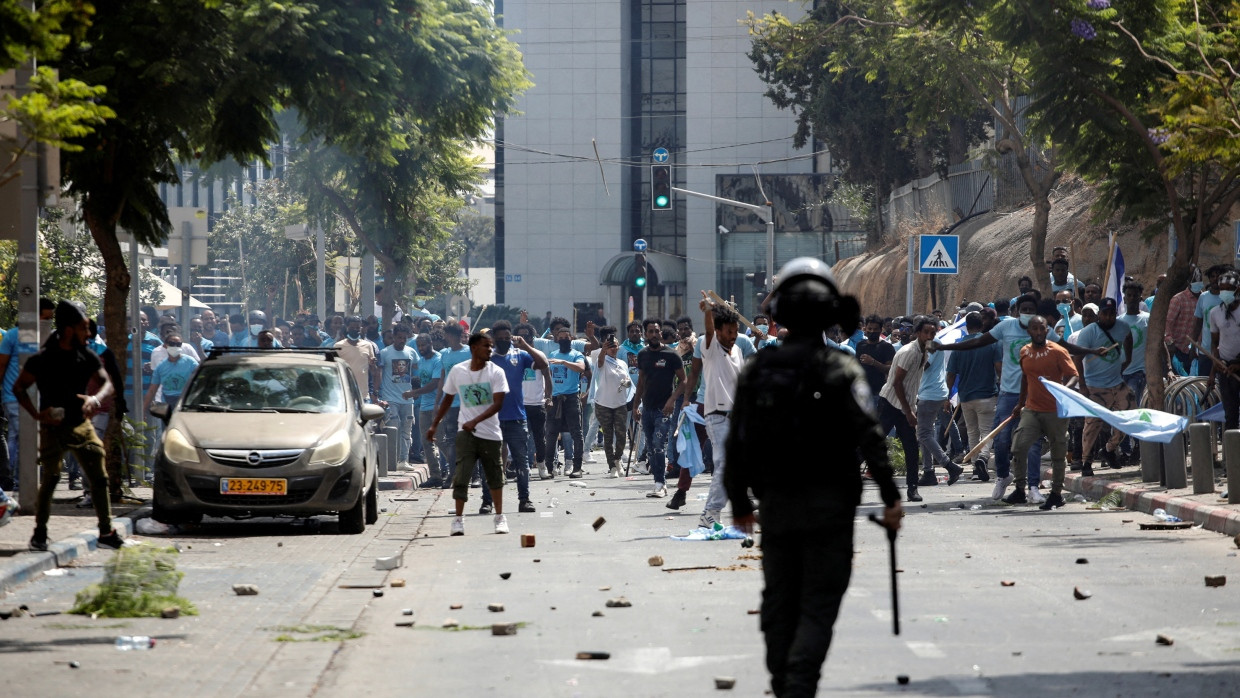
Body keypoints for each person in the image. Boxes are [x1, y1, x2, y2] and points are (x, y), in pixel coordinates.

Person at [725, 257, 901, 698]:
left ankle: (786, 681)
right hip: (832, 508)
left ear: (779, 312)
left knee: (779, 601)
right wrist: (892, 498)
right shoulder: (843, 369)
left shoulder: (758, 370)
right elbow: (871, 437)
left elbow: (737, 443)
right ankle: (799, 683)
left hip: (778, 507)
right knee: (818, 604)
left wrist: (741, 503)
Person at [16, 301, 125, 551]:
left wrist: (94, 399)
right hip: (53, 426)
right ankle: (40, 533)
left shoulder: (86, 355)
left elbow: (107, 383)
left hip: (81, 424)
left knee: (99, 477)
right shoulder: (42, 360)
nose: (88, 334)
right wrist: (36, 415)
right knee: (52, 478)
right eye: (83, 328)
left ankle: (106, 531)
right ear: (68, 330)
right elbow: (19, 388)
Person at [424, 332, 509, 536]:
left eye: (491, 346)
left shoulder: (496, 372)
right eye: (485, 346)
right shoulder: (458, 371)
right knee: (461, 476)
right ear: (473, 349)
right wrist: (435, 424)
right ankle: (458, 520)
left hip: (490, 433)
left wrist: (475, 421)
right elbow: (447, 399)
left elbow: (498, 403)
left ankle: (499, 517)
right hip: (466, 433)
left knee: (495, 477)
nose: (490, 349)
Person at [1002, 316, 1079, 509]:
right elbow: (1026, 379)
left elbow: (1073, 375)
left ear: (1047, 330)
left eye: (1041, 328)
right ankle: (1020, 489)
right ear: (1029, 331)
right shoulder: (1024, 351)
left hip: (1055, 411)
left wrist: (1064, 392)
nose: (1038, 332)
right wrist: (1020, 404)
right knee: (1019, 447)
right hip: (1032, 409)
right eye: (1034, 329)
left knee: (1058, 453)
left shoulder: (1058, 351)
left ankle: (1056, 494)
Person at [488, 320, 548, 512]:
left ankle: (524, 500)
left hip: (516, 418)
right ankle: (488, 501)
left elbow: (543, 363)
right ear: (494, 340)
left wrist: (526, 346)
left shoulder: (520, 355)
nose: (504, 341)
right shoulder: (487, 358)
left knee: (522, 462)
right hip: (493, 419)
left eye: (508, 338)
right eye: (500, 339)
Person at [695, 293, 744, 529]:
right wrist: (708, 311)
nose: (733, 336)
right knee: (724, 465)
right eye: (729, 332)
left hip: (737, 417)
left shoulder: (737, 352)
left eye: (735, 332)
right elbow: (709, 331)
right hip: (717, 416)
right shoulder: (711, 347)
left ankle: (716, 514)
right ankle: (710, 513)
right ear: (719, 330)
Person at [1071, 298, 1133, 476]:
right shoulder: (1089, 332)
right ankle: (1086, 462)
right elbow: (1077, 358)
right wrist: (1082, 384)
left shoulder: (1122, 327)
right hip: (1094, 386)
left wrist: (1127, 360)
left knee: (1128, 417)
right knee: (1092, 425)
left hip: (1117, 383)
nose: (1108, 317)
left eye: (1111, 313)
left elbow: (1128, 337)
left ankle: (1109, 449)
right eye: (1104, 313)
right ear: (1099, 315)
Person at [632, 317, 685, 498]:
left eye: (657, 331)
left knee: (658, 444)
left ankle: (661, 484)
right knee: (651, 446)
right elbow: (641, 382)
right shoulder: (643, 354)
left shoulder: (671, 355)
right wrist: (635, 405)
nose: (654, 335)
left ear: (661, 332)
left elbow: (683, 381)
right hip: (647, 408)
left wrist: (672, 400)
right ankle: (657, 481)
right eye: (651, 332)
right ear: (645, 334)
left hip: (664, 409)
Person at [945, 312, 1001, 481]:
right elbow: (999, 368)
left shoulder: (958, 347)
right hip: (987, 395)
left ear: (966, 326)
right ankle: (983, 458)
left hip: (966, 397)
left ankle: (977, 468)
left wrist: (948, 396)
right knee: (987, 432)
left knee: (972, 432)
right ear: (982, 324)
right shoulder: (991, 343)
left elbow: (950, 375)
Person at [544, 324, 587, 478]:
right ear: (557, 339)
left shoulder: (576, 354)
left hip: (571, 397)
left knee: (576, 432)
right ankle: (549, 467)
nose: (563, 340)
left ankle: (576, 467)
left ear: (571, 339)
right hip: (555, 399)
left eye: (566, 338)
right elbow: (548, 377)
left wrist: (563, 363)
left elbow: (581, 368)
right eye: (560, 338)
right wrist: (547, 396)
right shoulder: (552, 354)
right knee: (551, 434)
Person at [591, 326, 631, 478]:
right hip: (603, 404)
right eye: (610, 346)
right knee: (608, 436)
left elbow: (626, 379)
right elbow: (600, 362)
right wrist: (603, 349)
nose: (613, 349)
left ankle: (618, 458)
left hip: (620, 403)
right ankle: (612, 467)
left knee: (621, 435)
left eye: (615, 346)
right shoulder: (602, 361)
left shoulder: (622, 363)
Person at [377, 325, 418, 468]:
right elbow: (379, 374)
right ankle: (391, 461)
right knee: (393, 429)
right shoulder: (384, 353)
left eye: (404, 338)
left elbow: (416, 371)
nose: (402, 340)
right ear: (393, 337)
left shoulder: (412, 352)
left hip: (407, 399)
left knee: (407, 431)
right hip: (390, 398)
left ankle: (403, 460)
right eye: (399, 337)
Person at [410, 334, 445, 486]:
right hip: (424, 407)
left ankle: (458, 471)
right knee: (426, 442)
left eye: (424, 345)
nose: (421, 348)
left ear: (431, 343)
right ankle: (436, 476)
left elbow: (435, 384)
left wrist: (414, 393)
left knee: (442, 442)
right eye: (419, 346)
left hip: (438, 407)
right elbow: (422, 381)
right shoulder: (422, 361)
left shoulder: (438, 360)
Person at [144, 334, 198, 413]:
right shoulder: (161, 367)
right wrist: (144, 409)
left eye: (178, 344)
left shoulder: (191, 362)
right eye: (172, 344)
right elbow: (152, 389)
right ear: (165, 345)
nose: (175, 346)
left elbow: (200, 381)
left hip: (186, 402)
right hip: (166, 404)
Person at [335, 316, 379, 402]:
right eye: (352, 328)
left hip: (363, 395)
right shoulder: (338, 346)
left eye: (357, 327)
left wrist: (372, 365)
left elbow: (374, 372)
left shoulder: (368, 345)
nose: (355, 330)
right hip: (345, 395)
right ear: (347, 328)